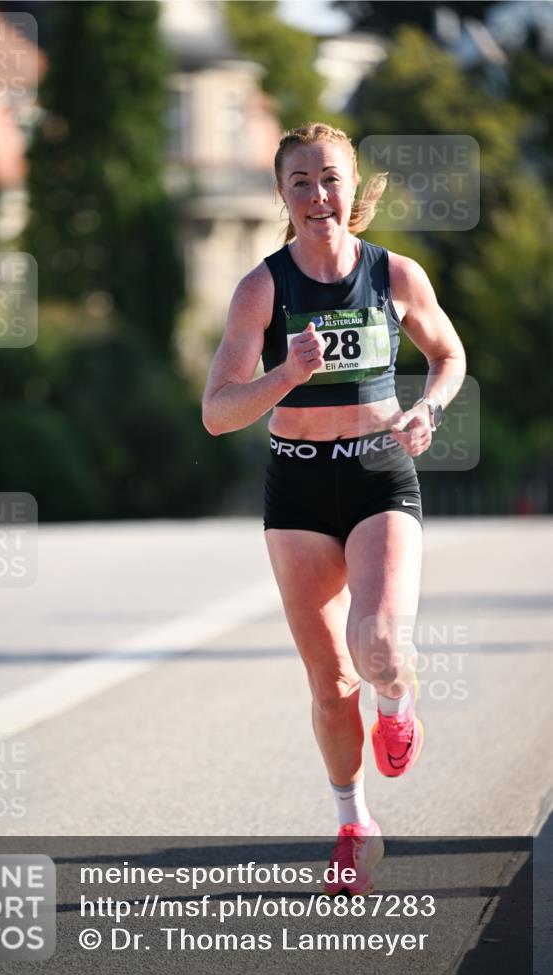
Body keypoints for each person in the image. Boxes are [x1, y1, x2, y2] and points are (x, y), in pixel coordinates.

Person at [202, 123, 466, 895]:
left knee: (378, 644)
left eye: (329, 179)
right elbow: (218, 412)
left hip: (379, 471)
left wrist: (428, 410)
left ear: (354, 188)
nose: (317, 196)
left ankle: (397, 699)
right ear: (282, 196)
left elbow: (446, 355)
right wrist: (285, 374)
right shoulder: (262, 288)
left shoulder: (395, 275)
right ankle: (355, 824)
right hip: (297, 486)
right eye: (299, 183)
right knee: (328, 682)